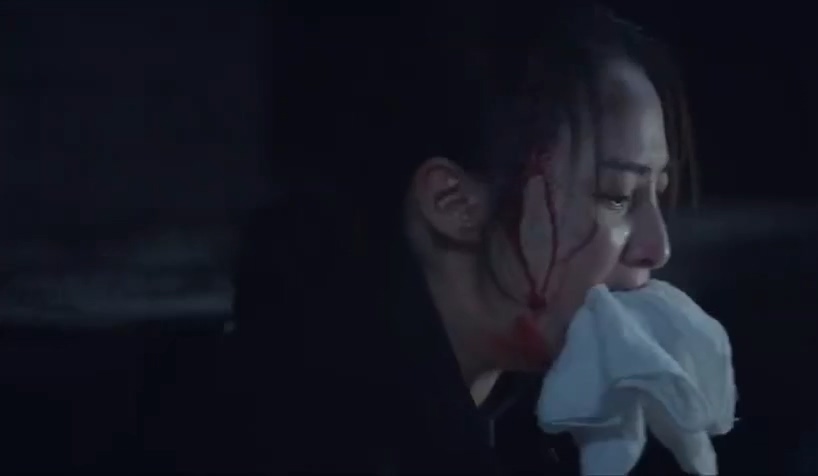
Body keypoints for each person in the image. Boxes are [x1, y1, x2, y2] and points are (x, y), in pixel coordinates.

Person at [218, 2, 698, 474]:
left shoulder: (558, 429)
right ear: (454, 203)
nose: (657, 248)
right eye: (616, 196)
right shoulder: (292, 439)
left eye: (657, 193)